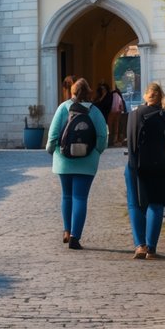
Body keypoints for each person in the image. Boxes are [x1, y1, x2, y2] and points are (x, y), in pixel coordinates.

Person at [45, 77, 107, 249]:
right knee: (80, 197)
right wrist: (97, 151)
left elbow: (53, 135)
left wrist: (51, 151)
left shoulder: (63, 108)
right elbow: (103, 137)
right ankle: (75, 237)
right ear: (89, 92)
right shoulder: (95, 112)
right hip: (87, 162)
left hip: (64, 160)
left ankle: (66, 230)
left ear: (72, 92)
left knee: (66, 195)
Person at [125, 82, 165, 259]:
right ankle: (152, 248)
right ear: (161, 96)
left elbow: (131, 144)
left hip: (137, 164)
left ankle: (140, 245)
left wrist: (133, 166)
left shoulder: (134, 115)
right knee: (155, 204)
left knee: (135, 204)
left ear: (145, 96)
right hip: (160, 164)